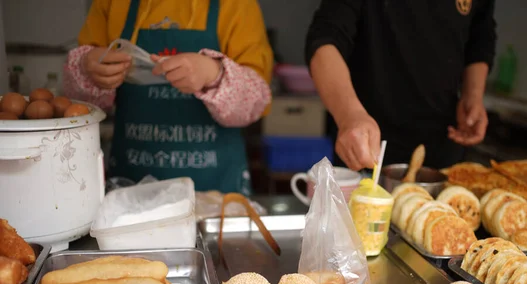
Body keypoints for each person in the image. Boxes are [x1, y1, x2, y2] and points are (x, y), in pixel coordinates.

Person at [64, 0, 273, 195]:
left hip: (215, 196)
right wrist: (88, 68)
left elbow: (257, 100)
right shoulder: (113, 4)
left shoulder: (237, 5)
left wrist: (214, 73)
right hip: (130, 193)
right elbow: (82, 107)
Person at [305, 0, 497, 170]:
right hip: (365, 145)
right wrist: (349, 115)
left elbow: (480, 36)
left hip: (444, 146)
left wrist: (472, 94)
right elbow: (325, 38)